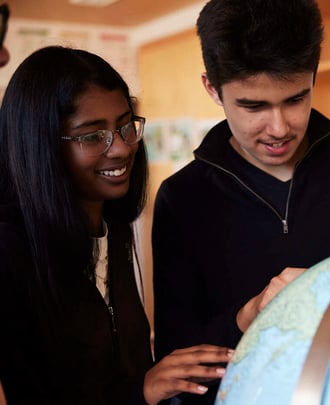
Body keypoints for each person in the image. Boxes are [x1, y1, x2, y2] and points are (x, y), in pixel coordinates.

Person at [152, 0, 330, 403]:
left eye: (295, 99)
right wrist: (249, 315)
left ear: (313, 76)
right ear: (212, 88)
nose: (278, 128)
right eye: (253, 106)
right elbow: (178, 364)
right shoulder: (182, 198)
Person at [0, 46, 232, 405]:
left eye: (125, 126)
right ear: (41, 145)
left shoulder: (113, 227)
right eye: (93, 136)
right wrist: (141, 391)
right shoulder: (11, 250)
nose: (122, 148)